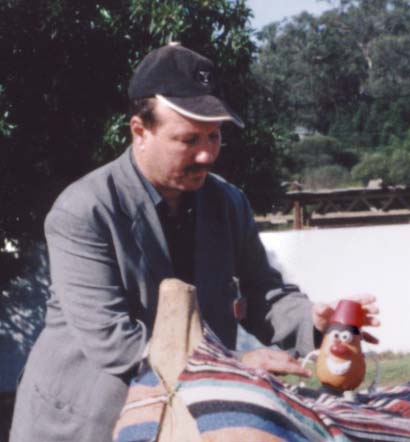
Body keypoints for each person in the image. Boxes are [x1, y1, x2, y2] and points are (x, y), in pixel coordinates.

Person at [10, 43, 379, 442]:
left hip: (191, 422)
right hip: (86, 424)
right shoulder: (83, 210)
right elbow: (114, 342)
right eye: (188, 139)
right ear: (140, 131)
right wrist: (236, 365)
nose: (207, 155)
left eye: (214, 136)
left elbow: (265, 294)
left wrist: (317, 322)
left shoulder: (228, 202)